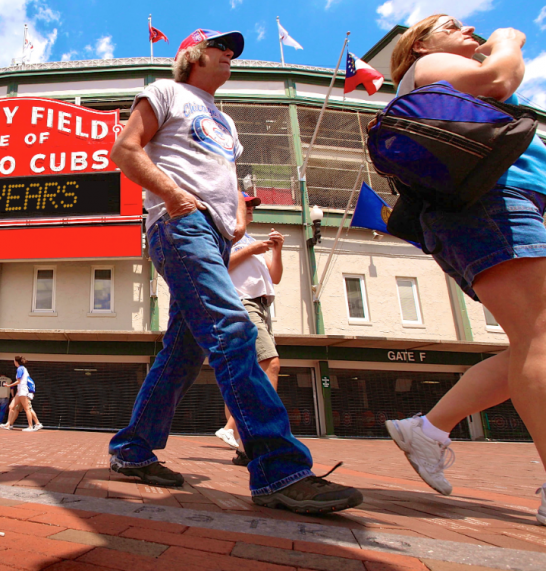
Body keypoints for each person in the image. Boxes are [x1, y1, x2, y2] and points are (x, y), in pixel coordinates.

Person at [106, 28, 362, 513]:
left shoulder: (224, 120)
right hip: (181, 227)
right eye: (220, 48)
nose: (230, 55)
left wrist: (237, 222)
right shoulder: (165, 91)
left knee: (182, 353)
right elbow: (125, 150)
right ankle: (279, 469)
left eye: (233, 51)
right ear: (192, 56)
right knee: (233, 328)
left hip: (215, 236)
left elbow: (222, 181)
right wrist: (175, 196)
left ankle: (131, 449)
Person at [383, 15, 546, 525]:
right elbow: (501, 78)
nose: (470, 28)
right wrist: (508, 40)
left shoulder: (443, 66)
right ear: (420, 45)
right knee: (540, 335)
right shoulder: (432, 65)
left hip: (514, 199)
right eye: (452, 25)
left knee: (531, 339)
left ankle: (428, 429)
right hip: (495, 200)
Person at [216, 192, 285, 463]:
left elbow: (275, 277)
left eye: (253, 205)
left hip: (260, 306)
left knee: (242, 373)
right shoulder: (224, 236)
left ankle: (244, 447)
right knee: (271, 364)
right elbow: (219, 266)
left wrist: (276, 250)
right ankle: (234, 427)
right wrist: (250, 250)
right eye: (246, 205)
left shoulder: (250, 241)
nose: (252, 209)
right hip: (242, 303)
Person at [0, 356, 43, 432]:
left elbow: (19, 381)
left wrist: (9, 385)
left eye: (14, 361)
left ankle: (30, 426)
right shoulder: (23, 369)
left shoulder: (20, 369)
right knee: (11, 406)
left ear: (16, 362)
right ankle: (8, 424)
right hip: (20, 391)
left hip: (23, 391)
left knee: (27, 408)